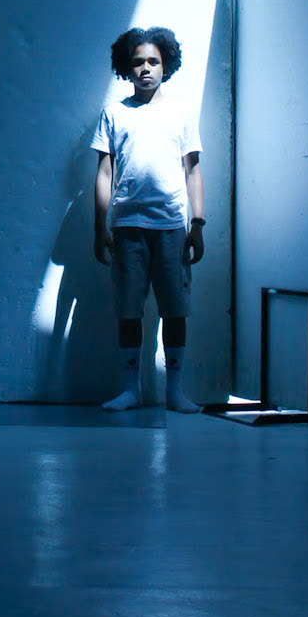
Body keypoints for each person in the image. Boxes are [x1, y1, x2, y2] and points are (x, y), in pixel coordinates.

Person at [92, 26, 205, 414]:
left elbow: (193, 170)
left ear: (166, 65)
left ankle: (175, 391)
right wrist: (99, 227)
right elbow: (104, 172)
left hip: (172, 226)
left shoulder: (181, 113)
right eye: (138, 62)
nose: (145, 68)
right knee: (129, 310)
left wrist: (198, 224)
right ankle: (131, 390)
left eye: (153, 61)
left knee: (175, 310)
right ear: (126, 67)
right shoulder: (115, 113)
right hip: (127, 227)